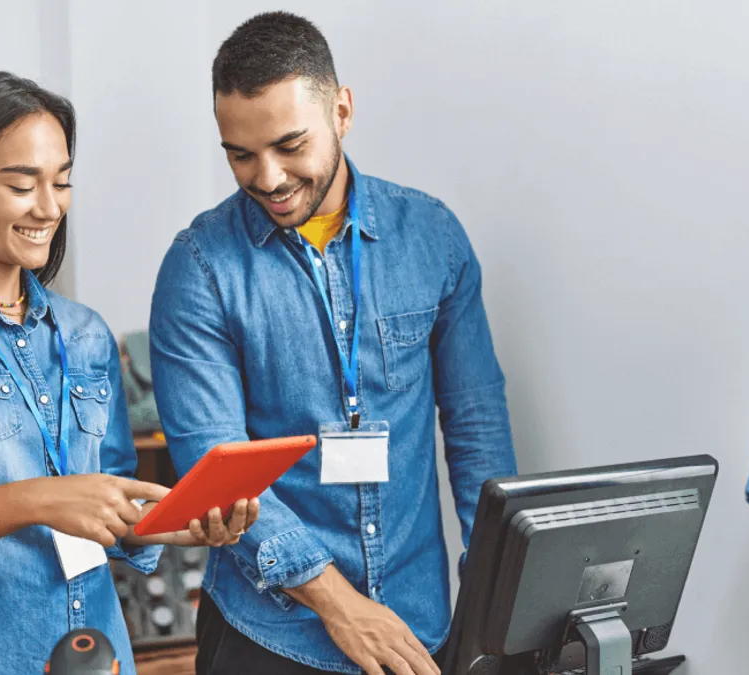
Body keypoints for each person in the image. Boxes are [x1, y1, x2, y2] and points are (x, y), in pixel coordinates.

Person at [0, 72, 259, 675]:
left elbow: (104, 497)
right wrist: (36, 501)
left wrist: (169, 525)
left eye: (60, 182)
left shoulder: (85, 334)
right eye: (21, 184)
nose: (49, 206)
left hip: (97, 651)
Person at [150, 12, 518, 675]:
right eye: (240, 153)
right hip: (268, 635)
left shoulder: (432, 236)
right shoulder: (198, 268)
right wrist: (338, 604)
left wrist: (499, 607)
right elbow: (217, 462)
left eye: (290, 144)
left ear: (342, 111)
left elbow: (477, 428)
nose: (267, 177)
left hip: (417, 626)